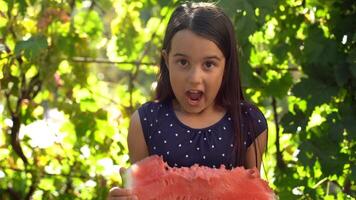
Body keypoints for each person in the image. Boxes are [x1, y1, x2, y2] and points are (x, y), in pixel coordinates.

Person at [108, 2, 268, 199]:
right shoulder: (145, 122)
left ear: (226, 65)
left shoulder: (249, 122)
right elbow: (140, 194)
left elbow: (250, 192)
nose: (194, 77)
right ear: (167, 61)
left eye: (209, 64)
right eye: (183, 62)